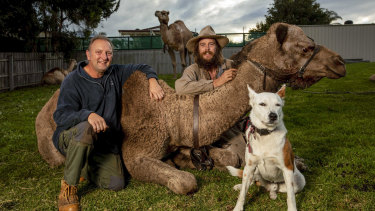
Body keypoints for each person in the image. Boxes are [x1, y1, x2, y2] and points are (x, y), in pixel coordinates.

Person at [53, 35, 164, 211]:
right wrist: (87, 115)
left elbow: (144, 67)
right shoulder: (72, 80)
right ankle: (68, 189)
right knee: (86, 128)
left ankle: (82, 164)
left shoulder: (115, 73)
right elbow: (60, 115)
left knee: (117, 183)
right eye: (99, 52)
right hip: (72, 137)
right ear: (88, 55)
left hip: (104, 142)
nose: (104, 57)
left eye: (108, 53)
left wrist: (152, 81)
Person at [174, 25, 246, 169]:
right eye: (202, 45)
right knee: (244, 158)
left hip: (230, 119)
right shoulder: (193, 70)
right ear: (197, 49)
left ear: (217, 47)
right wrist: (216, 83)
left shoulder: (231, 66)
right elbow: (180, 87)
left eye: (211, 44)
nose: (207, 49)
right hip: (204, 122)